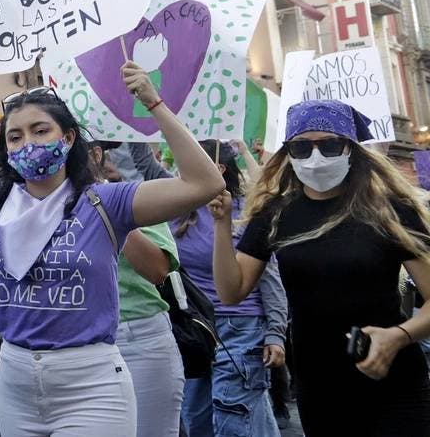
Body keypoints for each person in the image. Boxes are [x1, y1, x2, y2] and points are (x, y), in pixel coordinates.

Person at [0, 64, 225, 437]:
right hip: (15, 379)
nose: (28, 144)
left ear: (68, 138)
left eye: (41, 131)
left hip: (91, 385)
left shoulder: (105, 202)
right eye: (15, 137)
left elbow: (204, 183)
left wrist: (154, 104)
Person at [213, 100, 430, 437]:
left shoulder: (390, 209)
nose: (315, 157)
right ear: (288, 154)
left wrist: (398, 337)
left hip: (392, 377)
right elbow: (231, 292)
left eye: (329, 144)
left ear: (351, 148)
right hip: (319, 383)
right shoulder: (275, 213)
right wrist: (222, 225)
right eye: (301, 148)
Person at [129, 141, 286, 437]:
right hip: (197, 328)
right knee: (197, 417)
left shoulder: (245, 212)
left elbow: (270, 278)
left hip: (243, 327)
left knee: (233, 416)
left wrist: (276, 332)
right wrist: (132, 112)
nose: (176, 168)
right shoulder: (176, 207)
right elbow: (143, 164)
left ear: (218, 168)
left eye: (186, 161)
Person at [93, 143, 186, 437]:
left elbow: (157, 269)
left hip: (138, 337)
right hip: (74, 344)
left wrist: (107, 207)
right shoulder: (44, 207)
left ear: (95, 154)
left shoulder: (134, 197)